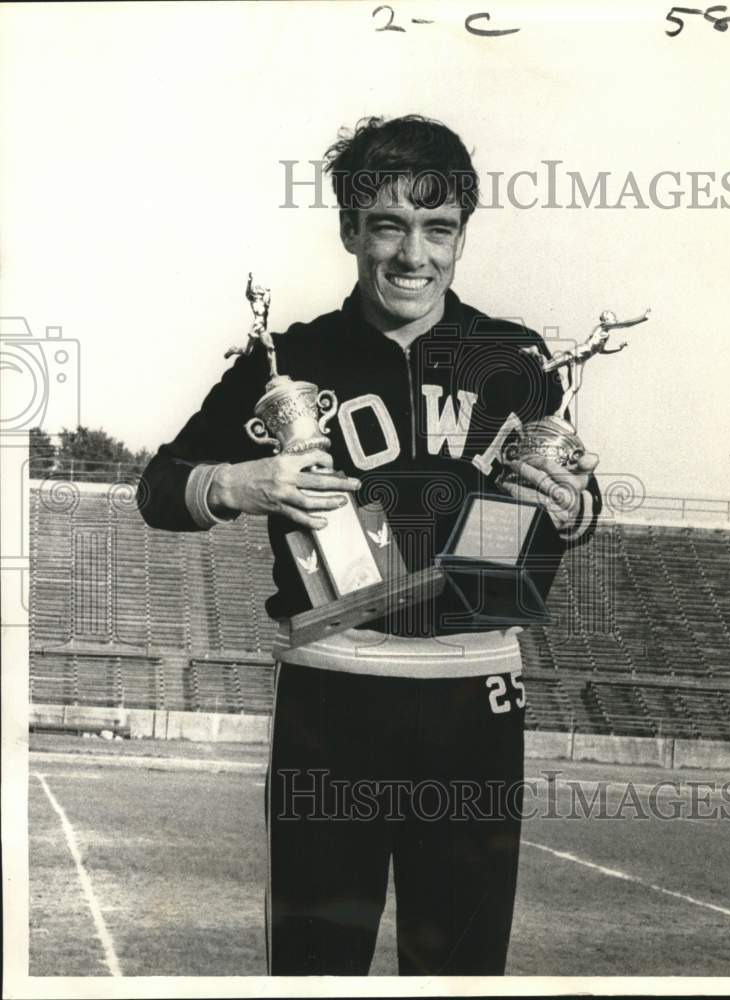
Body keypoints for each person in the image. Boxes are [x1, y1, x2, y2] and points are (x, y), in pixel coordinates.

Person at [139, 114, 601, 976]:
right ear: (350, 228)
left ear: (463, 234)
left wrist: (574, 509)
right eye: (387, 224)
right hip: (331, 704)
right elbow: (160, 486)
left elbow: (573, 502)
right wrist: (240, 483)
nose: (412, 255)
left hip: (477, 705)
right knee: (316, 971)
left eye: (438, 228)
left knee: (461, 974)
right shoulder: (291, 359)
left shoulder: (516, 356)